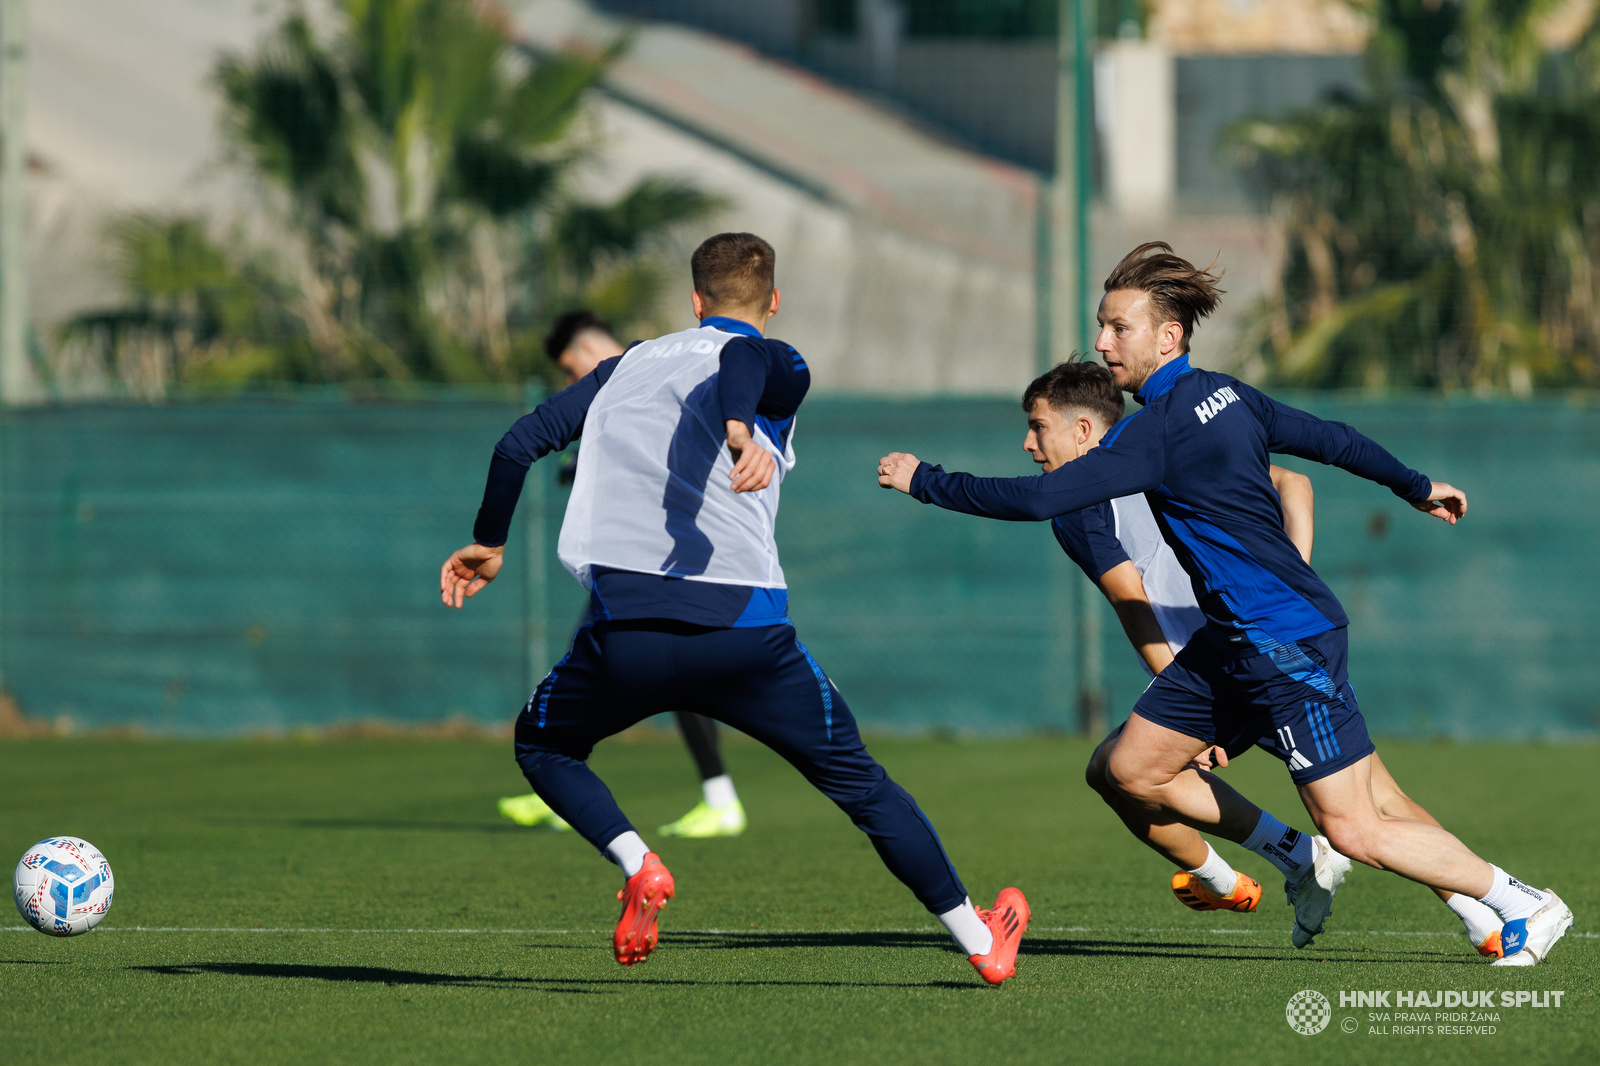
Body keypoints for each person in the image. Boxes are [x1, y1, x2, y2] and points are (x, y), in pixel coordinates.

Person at [877, 242, 1572, 967]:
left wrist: (926, 479)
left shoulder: (1156, 429)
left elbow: (1038, 497)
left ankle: (1520, 901)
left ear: (1168, 335)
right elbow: (1329, 442)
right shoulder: (1229, 395)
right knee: (1131, 768)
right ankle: (1302, 861)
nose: (1102, 341)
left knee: (1358, 826)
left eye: (1119, 327)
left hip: (1284, 641)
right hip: (1235, 642)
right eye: (1102, 326)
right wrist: (1414, 483)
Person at [441, 232, 1029, 981]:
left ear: (694, 302)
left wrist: (487, 543)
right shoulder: (777, 364)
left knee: (542, 746)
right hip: (745, 639)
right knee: (862, 785)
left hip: (628, 636)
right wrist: (738, 427)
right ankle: (980, 942)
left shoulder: (626, 368)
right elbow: (745, 356)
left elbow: (517, 444)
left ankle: (638, 861)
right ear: (773, 302)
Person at [1027, 358, 1506, 957]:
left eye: (1038, 426)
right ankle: (1479, 916)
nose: (1028, 443)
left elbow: (1133, 603)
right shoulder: (1180, 447)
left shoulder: (1080, 504)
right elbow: (1295, 484)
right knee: (1377, 795)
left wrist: (1192, 702)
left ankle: (1288, 862)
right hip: (1261, 645)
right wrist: (1289, 589)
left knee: (1125, 771)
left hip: (1230, 664)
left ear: (1084, 431)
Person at [496, 310, 748, 839]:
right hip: (632, 557)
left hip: (661, 558)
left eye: (571, 368)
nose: (571, 381)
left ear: (589, 351)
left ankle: (716, 798)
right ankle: (562, 778)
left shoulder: (639, 370)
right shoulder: (641, 371)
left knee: (672, 673)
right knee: (609, 662)